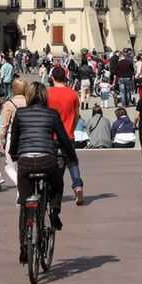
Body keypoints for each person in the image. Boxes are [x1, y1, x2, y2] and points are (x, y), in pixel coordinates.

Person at [8, 82, 79, 264]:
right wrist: (72, 158)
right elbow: (63, 139)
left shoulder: (20, 113)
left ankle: (24, 247)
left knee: (25, 205)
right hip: (47, 160)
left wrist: (14, 155)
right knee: (57, 182)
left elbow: (14, 139)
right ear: (45, 97)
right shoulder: (52, 114)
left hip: (25, 161)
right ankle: (54, 211)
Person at [47, 67, 86, 205]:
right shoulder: (73, 94)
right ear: (65, 77)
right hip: (68, 134)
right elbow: (76, 115)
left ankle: (48, 189)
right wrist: (72, 127)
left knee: (48, 163)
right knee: (72, 162)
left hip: (52, 135)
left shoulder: (48, 93)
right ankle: (77, 186)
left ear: (52, 78)